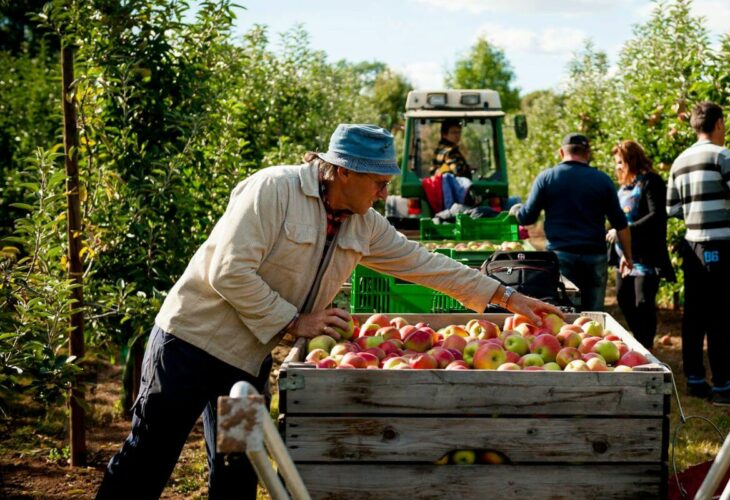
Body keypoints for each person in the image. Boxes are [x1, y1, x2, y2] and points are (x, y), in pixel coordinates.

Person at [96, 124, 562, 499]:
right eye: (378, 182)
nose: (383, 193)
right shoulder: (273, 190)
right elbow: (229, 271)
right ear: (343, 172)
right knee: (150, 456)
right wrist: (295, 323)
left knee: (238, 466)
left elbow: (425, 264)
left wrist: (506, 298)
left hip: (244, 361)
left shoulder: (365, 223)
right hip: (190, 346)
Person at [666, 102, 730, 406]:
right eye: (724, 124)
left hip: (692, 246)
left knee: (694, 312)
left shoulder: (679, 161)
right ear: (717, 124)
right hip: (720, 243)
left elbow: (672, 209)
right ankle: (722, 384)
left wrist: (695, 209)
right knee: (722, 313)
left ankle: (694, 379)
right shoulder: (722, 155)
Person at [509, 133, 633, 312]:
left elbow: (527, 217)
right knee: (594, 314)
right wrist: (628, 256)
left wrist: (517, 212)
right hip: (595, 256)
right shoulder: (602, 180)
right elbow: (620, 223)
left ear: (561, 152)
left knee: (564, 312)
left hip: (561, 255)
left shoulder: (547, 178)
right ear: (587, 153)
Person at [607, 140, 676, 349]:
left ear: (632, 159)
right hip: (624, 255)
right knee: (624, 299)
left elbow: (657, 216)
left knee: (643, 303)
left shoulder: (651, 182)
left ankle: (645, 346)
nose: (618, 167)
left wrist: (625, 230)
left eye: (621, 162)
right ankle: (639, 341)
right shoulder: (623, 187)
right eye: (617, 163)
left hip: (646, 256)